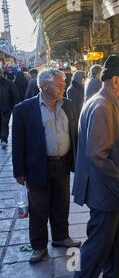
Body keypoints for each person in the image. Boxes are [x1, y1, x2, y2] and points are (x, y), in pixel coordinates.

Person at [72, 55, 119, 278]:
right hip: (106, 192)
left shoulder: (106, 102)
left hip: (111, 193)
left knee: (115, 243)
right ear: (116, 81)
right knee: (96, 248)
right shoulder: (101, 106)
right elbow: (97, 155)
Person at [12, 68, 81, 264]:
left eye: (63, 84)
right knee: (39, 207)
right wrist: (19, 171)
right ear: (43, 86)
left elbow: (75, 135)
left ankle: (61, 237)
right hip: (37, 166)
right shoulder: (23, 110)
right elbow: (18, 143)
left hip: (63, 164)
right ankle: (39, 246)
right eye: (59, 84)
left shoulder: (69, 105)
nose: (63, 87)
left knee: (61, 203)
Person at [0, 67, 20, 149]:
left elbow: (15, 96)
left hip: (6, 108)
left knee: (4, 124)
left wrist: (15, 107)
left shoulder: (9, 83)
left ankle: (4, 140)